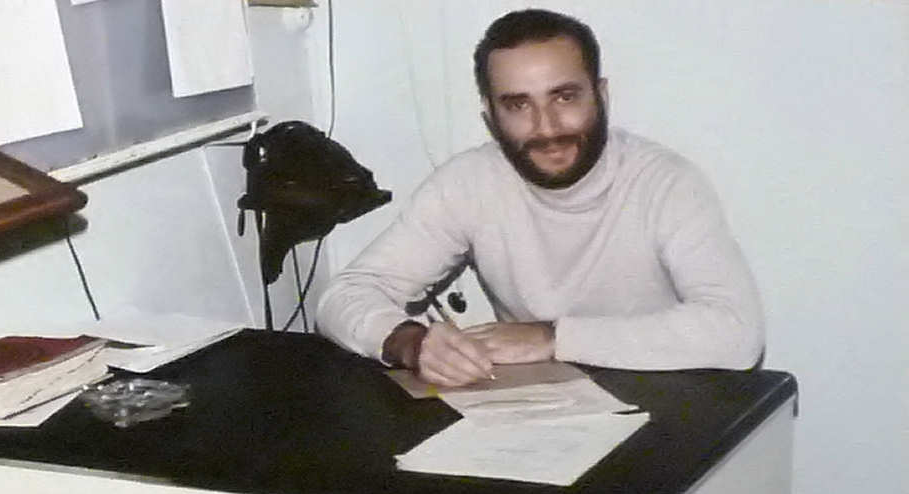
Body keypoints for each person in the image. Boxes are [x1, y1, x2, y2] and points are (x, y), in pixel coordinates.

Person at [316, 9, 764, 387]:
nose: (546, 127)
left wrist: (553, 337)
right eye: (518, 105)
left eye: (564, 97)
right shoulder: (469, 183)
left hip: (666, 405)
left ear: (601, 95)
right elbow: (345, 295)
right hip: (531, 411)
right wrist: (411, 343)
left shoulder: (665, 183)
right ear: (491, 116)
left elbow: (737, 333)